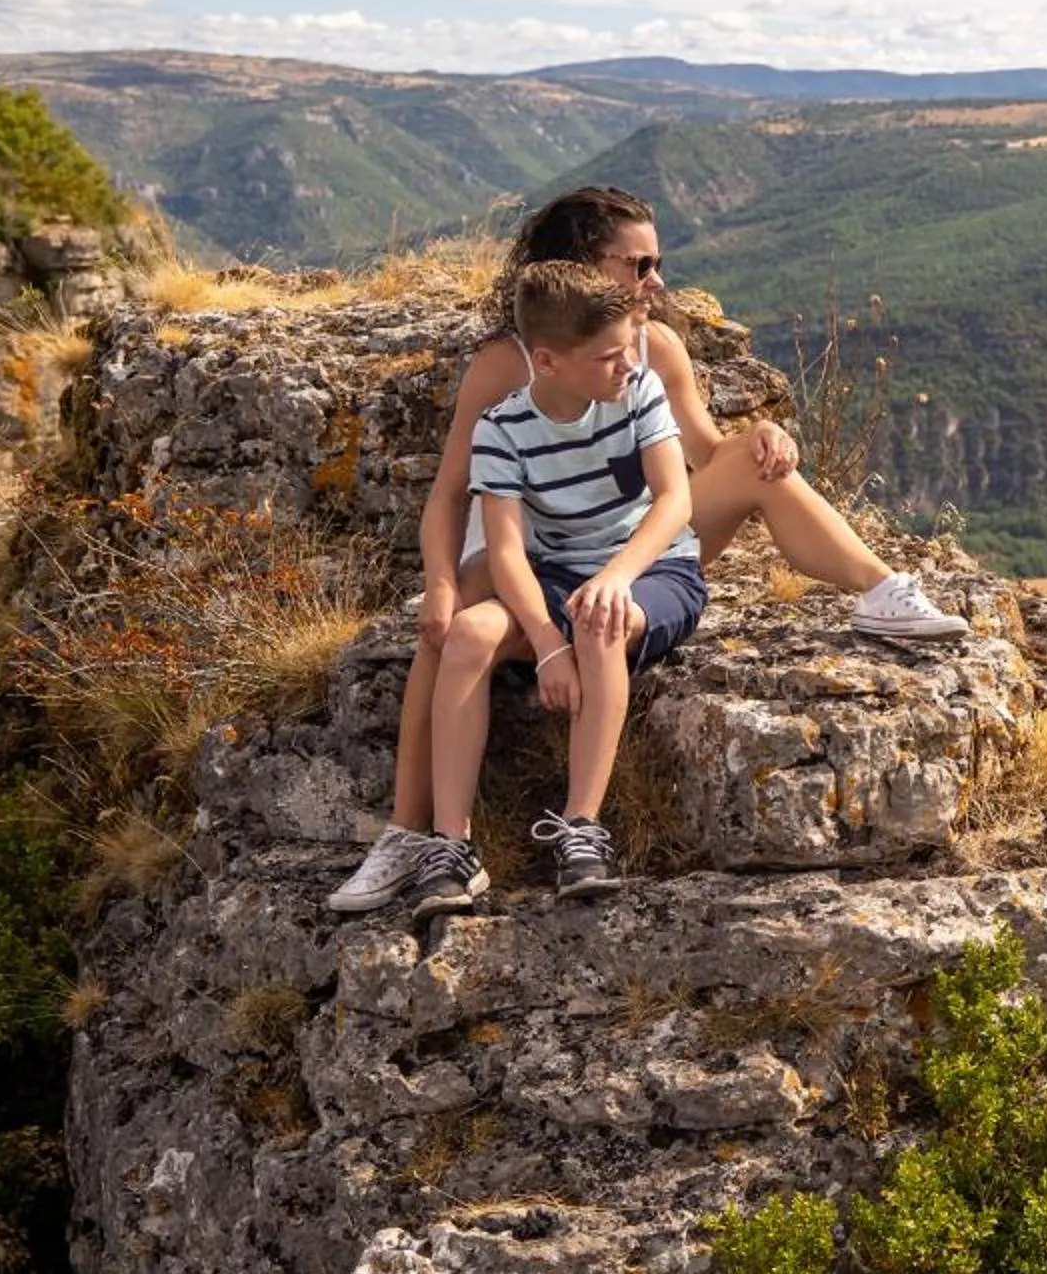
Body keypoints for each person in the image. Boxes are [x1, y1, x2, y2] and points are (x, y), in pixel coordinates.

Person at [330, 185, 967, 914]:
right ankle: (414, 834)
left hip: (635, 551)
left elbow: (697, 454)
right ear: (579, 266)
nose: (656, 280)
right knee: (444, 630)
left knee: (761, 469)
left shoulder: (651, 347)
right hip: (537, 558)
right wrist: (441, 584)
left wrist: (757, 437)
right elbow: (451, 495)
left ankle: (881, 590)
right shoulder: (506, 368)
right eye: (638, 264)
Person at [403, 263, 702, 915]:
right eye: (608, 355)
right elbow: (505, 550)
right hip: (557, 578)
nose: (627, 362)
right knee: (468, 633)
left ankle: (583, 830)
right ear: (548, 360)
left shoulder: (639, 389)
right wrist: (544, 646)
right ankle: (452, 847)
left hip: (653, 571)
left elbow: (676, 499)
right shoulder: (502, 429)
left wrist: (615, 577)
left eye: (628, 347)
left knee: (600, 619)